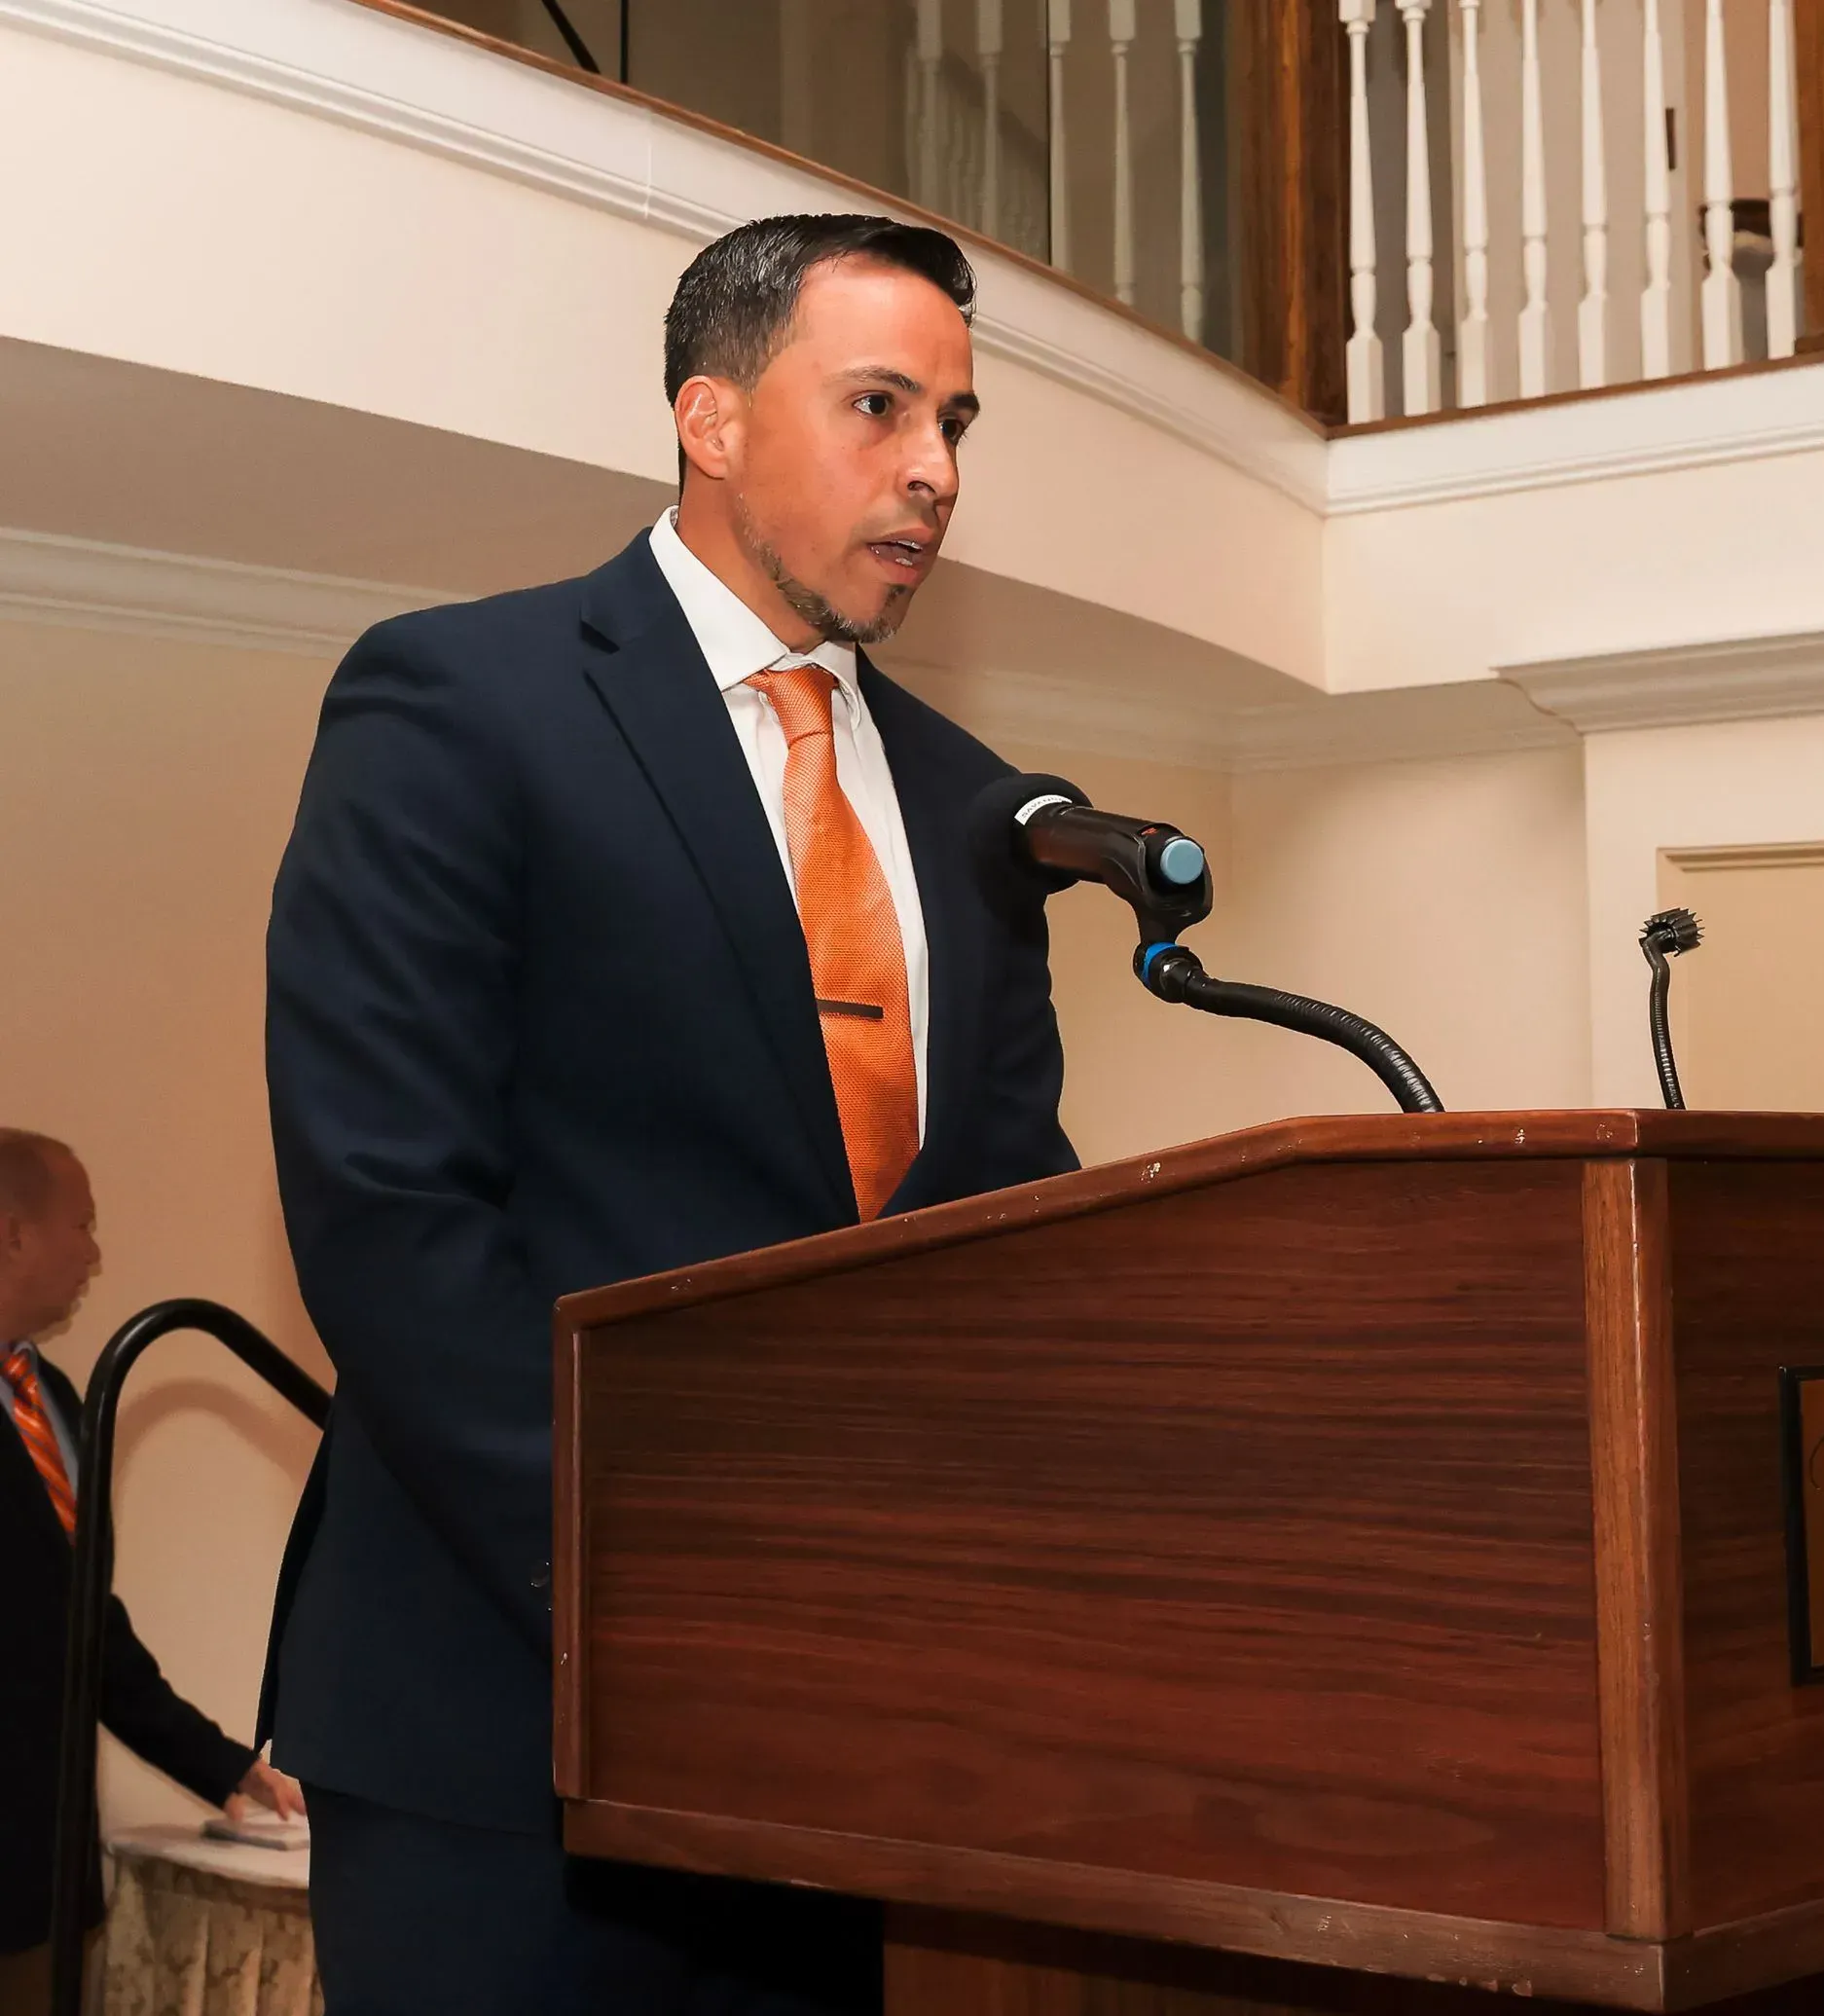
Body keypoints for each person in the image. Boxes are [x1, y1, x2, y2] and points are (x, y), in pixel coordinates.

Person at [263, 210, 1076, 2016]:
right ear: (711, 420)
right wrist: (662, 1606)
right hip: (505, 1726)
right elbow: (389, 1205)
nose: (934, 470)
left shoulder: (975, 807)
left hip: (868, 1749)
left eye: (954, 425)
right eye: (880, 406)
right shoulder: (461, 699)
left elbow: (1003, 1230)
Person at [0, 1128, 303, 2016]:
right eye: (83, 1224)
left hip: (40, 1879)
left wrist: (224, 1763)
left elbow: (83, 1625)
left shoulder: (54, 1397)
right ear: (13, 1233)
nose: (95, 1252)